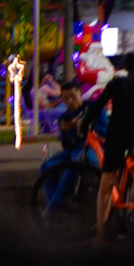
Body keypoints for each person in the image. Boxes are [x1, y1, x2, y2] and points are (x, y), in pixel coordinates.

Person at [93, 53, 134, 245]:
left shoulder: (116, 84)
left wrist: (86, 121)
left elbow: (98, 106)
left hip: (118, 137)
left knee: (106, 185)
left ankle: (101, 233)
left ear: (125, 68)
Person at [37, 81, 96, 211]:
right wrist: (66, 130)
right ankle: (55, 201)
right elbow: (66, 144)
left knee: (71, 168)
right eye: (65, 98)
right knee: (46, 167)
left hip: (89, 150)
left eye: (73, 97)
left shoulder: (91, 109)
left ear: (80, 94)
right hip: (72, 150)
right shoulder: (65, 117)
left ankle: (53, 208)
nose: (70, 101)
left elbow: (102, 129)